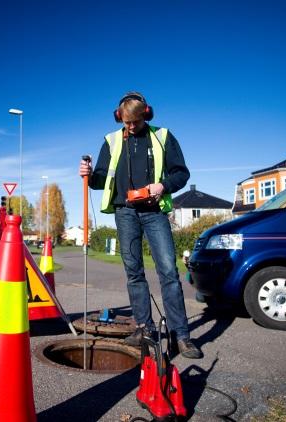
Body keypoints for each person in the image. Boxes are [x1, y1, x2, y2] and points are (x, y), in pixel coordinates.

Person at [79, 91, 202, 359]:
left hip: (155, 212)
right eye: (125, 122)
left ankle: (181, 335)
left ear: (146, 115)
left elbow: (181, 173)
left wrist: (163, 185)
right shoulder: (111, 141)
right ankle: (144, 329)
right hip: (125, 213)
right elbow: (101, 179)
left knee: (168, 271)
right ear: (119, 118)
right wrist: (89, 175)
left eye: (135, 121)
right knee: (134, 272)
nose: (130, 127)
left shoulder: (162, 137)